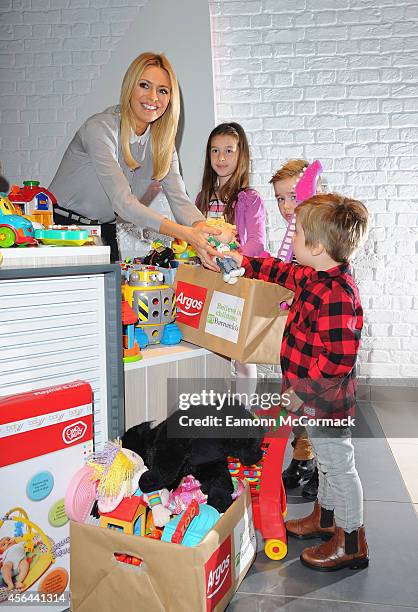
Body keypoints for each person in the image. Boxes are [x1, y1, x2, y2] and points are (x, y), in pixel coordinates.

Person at [226, 193, 370, 571]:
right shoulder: (313, 276)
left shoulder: (338, 294)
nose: (292, 237)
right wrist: (243, 262)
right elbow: (279, 271)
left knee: (339, 465)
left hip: (326, 402)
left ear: (318, 246)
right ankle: (324, 519)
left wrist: (300, 393)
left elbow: (338, 360)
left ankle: (352, 537)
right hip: (308, 398)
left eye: (298, 232)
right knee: (324, 460)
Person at [49, 52, 220, 265]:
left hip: (103, 230)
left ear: (170, 99)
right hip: (60, 230)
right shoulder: (99, 129)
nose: (153, 98)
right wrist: (185, 233)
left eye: (163, 90)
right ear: (130, 87)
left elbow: (179, 198)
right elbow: (123, 202)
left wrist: (201, 227)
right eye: (144, 85)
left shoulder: (162, 144)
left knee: (110, 297)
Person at [196, 122, 268, 389]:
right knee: (213, 347)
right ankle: (219, 411)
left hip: (238, 282)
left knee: (241, 355)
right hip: (210, 280)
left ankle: (244, 417)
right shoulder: (202, 198)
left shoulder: (249, 198)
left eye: (228, 151)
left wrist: (233, 253)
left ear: (241, 155)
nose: (221, 158)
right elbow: (196, 238)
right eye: (215, 151)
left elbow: (258, 243)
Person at [270, 159, 324, 500]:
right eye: (280, 199)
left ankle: (325, 469)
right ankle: (303, 459)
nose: (287, 206)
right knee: (294, 402)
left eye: (293, 196)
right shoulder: (293, 241)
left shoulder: (319, 240)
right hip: (296, 345)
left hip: (320, 349)